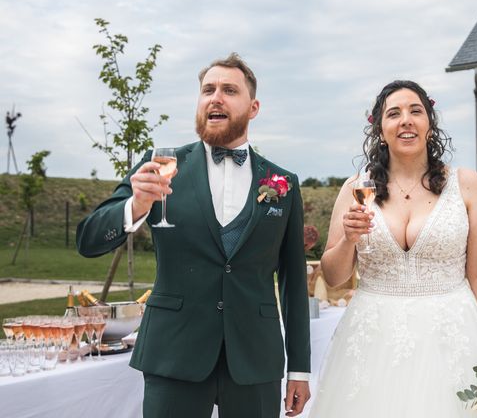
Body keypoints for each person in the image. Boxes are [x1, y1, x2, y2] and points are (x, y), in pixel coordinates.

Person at [76, 53, 311, 418]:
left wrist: (299, 368)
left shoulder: (283, 183)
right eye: (208, 90)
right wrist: (136, 206)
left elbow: (294, 282)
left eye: (229, 90)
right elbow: (88, 240)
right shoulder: (159, 167)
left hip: (255, 359)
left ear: (253, 107)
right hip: (174, 353)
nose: (215, 97)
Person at [308, 80, 477, 417]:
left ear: (430, 125)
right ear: (380, 129)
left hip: (451, 333)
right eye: (394, 113)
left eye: (416, 111)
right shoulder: (355, 188)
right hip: (373, 338)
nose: (406, 120)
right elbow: (335, 277)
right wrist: (348, 240)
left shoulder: (467, 184)